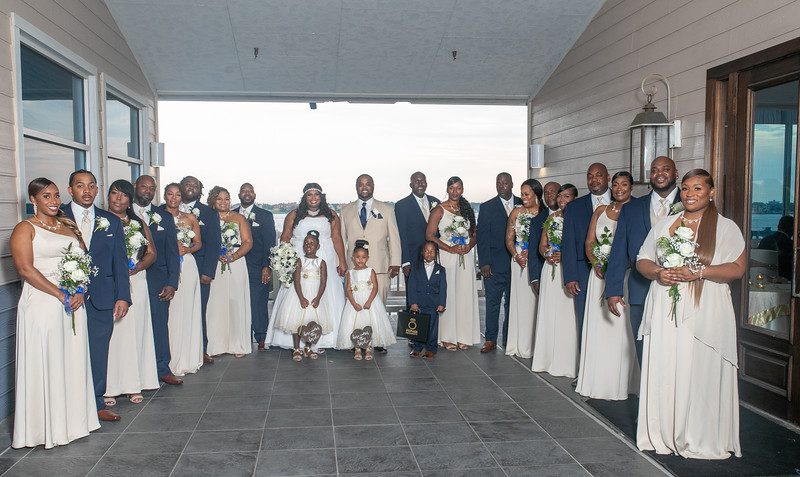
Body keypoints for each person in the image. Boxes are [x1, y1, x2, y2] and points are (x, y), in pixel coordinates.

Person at [636, 169, 745, 459]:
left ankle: (699, 433)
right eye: (685, 189)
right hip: (666, 310)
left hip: (706, 310)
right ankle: (665, 430)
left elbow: (737, 268)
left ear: (711, 191)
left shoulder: (726, 228)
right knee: (669, 366)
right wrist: (660, 272)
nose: (690, 194)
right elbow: (642, 260)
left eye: (697, 188)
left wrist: (701, 271)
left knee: (700, 370)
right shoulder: (665, 224)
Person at [11, 178, 100, 448]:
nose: (53, 201)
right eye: (46, 196)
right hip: (42, 301)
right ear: (33, 200)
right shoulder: (24, 229)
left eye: (57, 195)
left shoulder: (67, 226)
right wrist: (60, 294)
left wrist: (80, 290)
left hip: (73, 303)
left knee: (71, 359)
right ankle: (44, 428)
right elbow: (26, 269)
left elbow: (84, 261)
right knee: (47, 359)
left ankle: (73, 423)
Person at [62, 170, 130, 422]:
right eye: (80, 186)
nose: (87, 190)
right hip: (65, 298)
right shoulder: (57, 217)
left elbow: (119, 262)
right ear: (71, 190)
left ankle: (97, 403)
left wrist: (122, 296)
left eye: (92, 185)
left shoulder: (110, 221)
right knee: (66, 351)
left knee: (98, 351)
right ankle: (68, 404)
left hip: (102, 297)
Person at [606, 156, 680, 363]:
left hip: (679, 289)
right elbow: (619, 251)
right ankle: (646, 394)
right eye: (655, 170)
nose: (660, 174)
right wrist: (613, 290)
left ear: (676, 174)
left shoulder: (689, 203)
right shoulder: (631, 209)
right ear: (650, 176)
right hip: (640, 289)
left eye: (666, 169)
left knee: (675, 347)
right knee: (642, 346)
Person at [575, 172, 640, 400]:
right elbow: (590, 241)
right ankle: (597, 379)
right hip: (599, 275)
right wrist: (596, 262)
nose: (619, 188)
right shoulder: (601, 211)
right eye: (615, 185)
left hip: (625, 277)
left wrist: (621, 266)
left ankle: (624, 382)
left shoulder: (638, 210)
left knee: (622, 330)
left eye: (624, 184)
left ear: (631, 187)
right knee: (600, 327)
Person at [266, 183, 346, 352]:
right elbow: (286, 237)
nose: (313, 198)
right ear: (304, 197)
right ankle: (295, 341)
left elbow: (337, 238)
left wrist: (343, 261)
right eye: (309, 195)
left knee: (327, 292)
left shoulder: (331, 215)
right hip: (300, 259)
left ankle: (326, 338)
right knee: (296, 295)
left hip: (326, 258)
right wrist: (284, 260)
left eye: (316, 195)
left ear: (321, 197)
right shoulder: (294, 215)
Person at [103, 180, 159, 406]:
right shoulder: (101, 221)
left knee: (136, 332)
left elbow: (152, 253)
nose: (118, 199)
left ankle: (134, 383)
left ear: (130, 199)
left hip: (137, 281)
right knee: (114, 335)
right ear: (108, 196)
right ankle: (110, 386)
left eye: (124, 195)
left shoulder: (138, 222)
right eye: (114, 194)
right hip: (111, 284)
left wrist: (136, 267)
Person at [133, 175, 183, 386]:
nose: (147, 191)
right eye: (143, 186)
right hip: (131, 279)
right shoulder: (121, 214)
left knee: (159, 325)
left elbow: (173, 252)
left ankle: (163, 368)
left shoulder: (163, 217)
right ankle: (134, 371)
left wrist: (172, 282)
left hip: (158, 281)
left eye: (151, 188)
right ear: (135, 187)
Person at [426, 176, 481, 350]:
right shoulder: (439, 210)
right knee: (448, 295)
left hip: (465, 256)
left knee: (464, 294)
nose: (455, 191)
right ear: (447, 189)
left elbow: (474, 234)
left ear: (462, 189)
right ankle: (447, 336)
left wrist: (468, 246)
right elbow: (430, 235)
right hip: (448, 256)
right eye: (452, 188)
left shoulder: (467, 209)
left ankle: (464, 335)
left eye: (458, 188)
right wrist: (450, 249)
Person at [532, 184, 579, 377]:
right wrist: (548, 255)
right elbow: (542, 245)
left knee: (567, 316)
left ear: (574, 199)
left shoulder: (577, 217)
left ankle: (567, 361)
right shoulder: (551, 218)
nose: (561, 200)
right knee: (549, 313)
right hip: (550, 269)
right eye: (560, 196)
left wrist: (565, 255)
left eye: (566, 196)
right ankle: (547, 357)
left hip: (567, 270)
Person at [562, 163, 611, 346]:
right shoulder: (574, 207)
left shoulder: (622, 202)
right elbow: (567, 244)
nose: (593, 179)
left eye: (598, 175)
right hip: (582, 273)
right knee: (584, 319)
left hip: (615, 272)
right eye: (589, 176)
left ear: (608, 177)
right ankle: (585, 369)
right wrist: (570, 277)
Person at [340, 174, 401, 313]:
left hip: (380, 268)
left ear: (373, 186)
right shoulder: (345, 211)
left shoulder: (387, 209)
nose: (364, 187)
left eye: (368, 183)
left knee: (378, 311)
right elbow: (342, 240)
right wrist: (341, 263)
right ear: (356, 187)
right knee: (355, 311)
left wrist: (395, 262)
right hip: (353, 270)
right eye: (361, 184)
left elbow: (394, 238)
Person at [271, 230, 335, 361]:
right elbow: (297, 280)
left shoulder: (321, 263)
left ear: (318, 246)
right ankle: (296, 348)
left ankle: (308, 347)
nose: (308, 245)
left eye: (312, 243)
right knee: (296, 321)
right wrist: (301, 298)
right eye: (306, 243)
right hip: (300, 294)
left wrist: (318, 298)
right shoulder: (299, 261)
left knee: (312, 323)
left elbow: (323, 282)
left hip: (315, 295)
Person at [206, 186, 253, 357]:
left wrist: (233, 256)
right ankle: (216, 344)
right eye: (219, 199)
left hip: (236, 263)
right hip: (214, 264)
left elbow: (248, 242)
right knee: (215, 303)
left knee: (236, 302)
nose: (223, 202)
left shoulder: (238, 217)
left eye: (227, 199)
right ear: (213, 200)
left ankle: (237, 343)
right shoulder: (207, 218)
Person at [477, 172, 521, 353]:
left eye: (504, 182)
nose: (501, 185)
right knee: (492, 304)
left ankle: (509, 338)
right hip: (494, 266)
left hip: (518, 265)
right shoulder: (487, 207)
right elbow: (482, 236)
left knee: (512, 304)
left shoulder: (522, 203)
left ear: (511, 184)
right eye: (498, 182)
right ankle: (490, 339)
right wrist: (484, 263)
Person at [179, 176, 221, 365]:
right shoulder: (169, 210)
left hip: (199, 270)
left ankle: (201, 349)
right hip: (174, 270)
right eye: (187, 184)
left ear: (200, 190)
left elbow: (214, 244)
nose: (190, 187)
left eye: (194, 185)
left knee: (199, 310)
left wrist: (208, 272)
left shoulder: (209, 214)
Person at [163, 183, 204, 376]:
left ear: (181, 197)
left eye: (177, 194)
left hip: (187, 266)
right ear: (164, 195)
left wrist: (187, 249)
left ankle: (187, 357)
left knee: (187, 309)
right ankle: (168, 359)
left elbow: (198, 243)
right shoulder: (158, 217)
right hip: (166, 267)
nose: (173, 198)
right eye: (170, 194)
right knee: (170, 313)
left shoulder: (190, 218)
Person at [504, 179, 546, 359]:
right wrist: (516, 254)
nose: (523, 197)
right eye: (521, 194)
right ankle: (518, 343)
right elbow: (509, 238)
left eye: (526, 194)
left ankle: (536, 345)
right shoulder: (516, 212)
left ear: (536, 194)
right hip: (519, 261)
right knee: (520, 302)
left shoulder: (544, 214)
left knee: (535, 303)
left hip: (536, 260)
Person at [338, 240, 397, 360]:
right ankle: (358, 348)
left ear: (368, 258)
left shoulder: (370, 271)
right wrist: (353, 303)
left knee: (370, 324)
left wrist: (369, 301)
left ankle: (369, 347)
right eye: (358, 257)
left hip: (369, 302)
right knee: (356, 325)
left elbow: (375, 287)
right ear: (353, 258)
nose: (360, 260)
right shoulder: (350, 272)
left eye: (363, 257)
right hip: (355, 302)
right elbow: (348, 289)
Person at [235, 183, 276, 350]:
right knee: (238, 301)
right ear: (239, 194)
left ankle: (261, 336)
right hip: (236, 265)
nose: (247, 193)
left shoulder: (265, 215)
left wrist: (267, 266)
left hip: (258, 266)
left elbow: (270, 243)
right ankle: (240, 336)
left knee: (258, 303)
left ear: (254, 194)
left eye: (250, 190)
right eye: (244, 190)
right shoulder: (231, 215)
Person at [395, 171, 439, 286]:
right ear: (411, 184)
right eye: (416, 181)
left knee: (433, 294)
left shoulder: (436, 202)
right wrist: (405, 262)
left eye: (423, 181)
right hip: (413, 259)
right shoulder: (402, 205)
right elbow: (402, 235)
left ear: (426, 183)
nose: (420, 183)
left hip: (435, 258)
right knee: (413, 296)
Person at [407, 241, 447, 359]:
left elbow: (443, 288)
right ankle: (417, 347)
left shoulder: (441, 269)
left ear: (436, 253)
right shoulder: (416, 268)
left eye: (432, 251)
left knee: (432, 327)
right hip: (419, 302)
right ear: (422, 253)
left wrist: (441, 303)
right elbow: (411, 286)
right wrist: (413, 302)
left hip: (433, 303)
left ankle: (431, 348)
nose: (429, 253)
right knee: (418, 326)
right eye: (426, 251)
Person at [757, 215, 793, 280]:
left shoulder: (765, 240)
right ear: (791, 228)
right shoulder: (790, 245)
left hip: (763, 277)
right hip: (785, 279)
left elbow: (758, 257)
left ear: (778, 226)